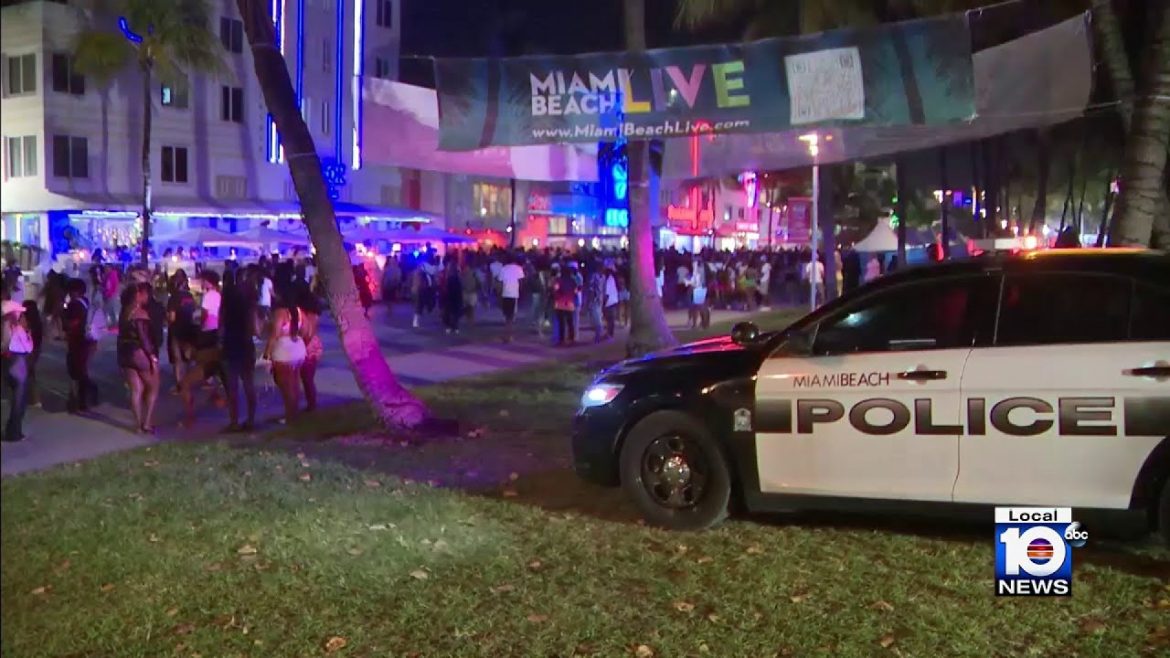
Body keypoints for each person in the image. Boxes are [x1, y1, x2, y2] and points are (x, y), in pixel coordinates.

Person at [117, 282, 160, 434]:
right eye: (144, 294)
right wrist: (152, 357)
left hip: (125, 353)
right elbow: (144, 338)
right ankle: (146, 423)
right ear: (137, 295)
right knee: (153, 386)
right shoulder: (140, 314)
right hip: (139, 353)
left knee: (136, 390)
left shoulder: (124, 312)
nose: (147, 296)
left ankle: (137, 425)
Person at [220, 268, 258, 432]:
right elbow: (254, 328)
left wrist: (220, 342)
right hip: (245, 343)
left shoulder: (227, 300)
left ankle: (234, 421)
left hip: (231, 343)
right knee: (248, 383)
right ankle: (251, 420)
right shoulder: (249, 305)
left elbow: (221, 323)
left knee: (232, 385)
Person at [265, 301, 306, 424]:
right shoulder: (299, 311)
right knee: (294, 383)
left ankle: (289, 416)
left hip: (284, 351)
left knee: (285, 386)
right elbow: (305, 330)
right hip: (298, 349)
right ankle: (294, 414)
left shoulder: (280, 312)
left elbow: (275, 335)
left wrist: (267, 353)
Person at [61, 278, 99, 413]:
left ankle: (82, 399)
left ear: (74, 291)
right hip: (87, 339)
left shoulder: (74, 305)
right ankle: (82, 401)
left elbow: (72, 323)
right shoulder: (85, 302)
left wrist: (63, 318)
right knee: (81, 370)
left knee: (76, 371)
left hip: (77, 340)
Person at [1, 299, 35, 441]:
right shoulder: (17, 329)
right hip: (18, 363)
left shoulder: (4, 328)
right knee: (19, 400)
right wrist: (28, 334)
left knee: (14, 398)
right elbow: (29, 348)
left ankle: (11, 431)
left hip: (6, 363)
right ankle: (14, 432)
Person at [166, 271, 197, 395]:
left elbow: (172, 317)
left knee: (178, 360)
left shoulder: (174, 297)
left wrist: (166, 319)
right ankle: (188, 382)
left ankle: (180, 385)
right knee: (188, 358)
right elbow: (194, 312)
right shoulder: (189, 296)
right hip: (189, 329)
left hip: (176, 331)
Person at [297, 288, 323, 413]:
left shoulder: (306, 315)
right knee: (308, 378)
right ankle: (311, 403)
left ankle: (311, 405)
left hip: (308, 347)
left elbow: (307, 334)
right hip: (314, 346)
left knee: (307, 378)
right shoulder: (314, 315)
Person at [496, 255, 525, 343]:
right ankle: (509, 336)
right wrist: (521, 293)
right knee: (511, 317)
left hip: (505, 294)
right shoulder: (518, 269)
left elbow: (500, 283)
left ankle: (507, 335)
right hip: (514, 294)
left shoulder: (503, 269)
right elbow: (521, 282)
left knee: (507, 316)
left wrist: (499, 295)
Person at [551, 264, 579, 347]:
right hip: (570, 303)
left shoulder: (558, 280)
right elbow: (576, 291)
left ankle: (562, 340)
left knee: (561, 323)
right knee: (570, 322)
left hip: (560, 303)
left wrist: (555, 297)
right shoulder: (573, 281)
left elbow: (555, 290)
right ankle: (571, 338)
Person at [441, 258, 463, 335]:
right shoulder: (457, 277)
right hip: (455, 296)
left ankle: (450, 327)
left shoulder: (450, 278)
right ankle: (455, 327)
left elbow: (446, 289)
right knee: (454, 312)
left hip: (450, 297)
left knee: (449, 312)